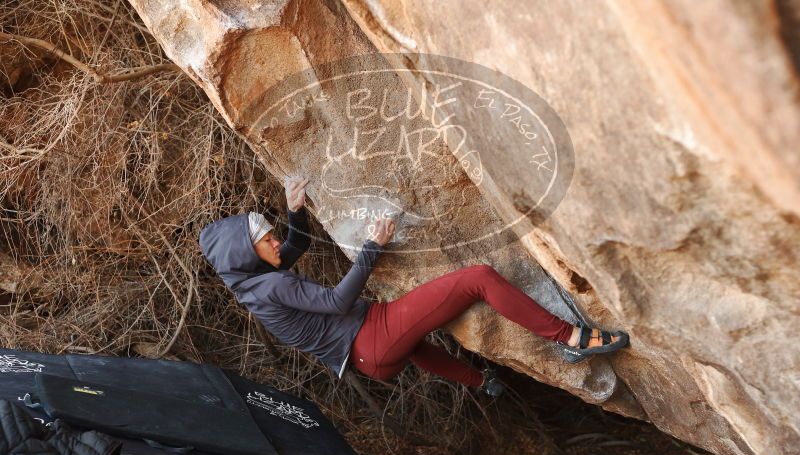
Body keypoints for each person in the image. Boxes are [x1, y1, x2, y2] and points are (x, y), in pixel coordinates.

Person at [199, 179, 629, 398]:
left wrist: (294, 211)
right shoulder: (269, 286)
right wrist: (373, 246)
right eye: (266, 239)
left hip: (371, 352)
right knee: (477, 277)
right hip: (371, 339)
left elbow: (294, 246)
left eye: (270, 235)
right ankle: (568, 337)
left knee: (415, 339)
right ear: (244, 253)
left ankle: (481, 383)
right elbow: (336, 300)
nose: (275, 243)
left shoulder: (253, 279)